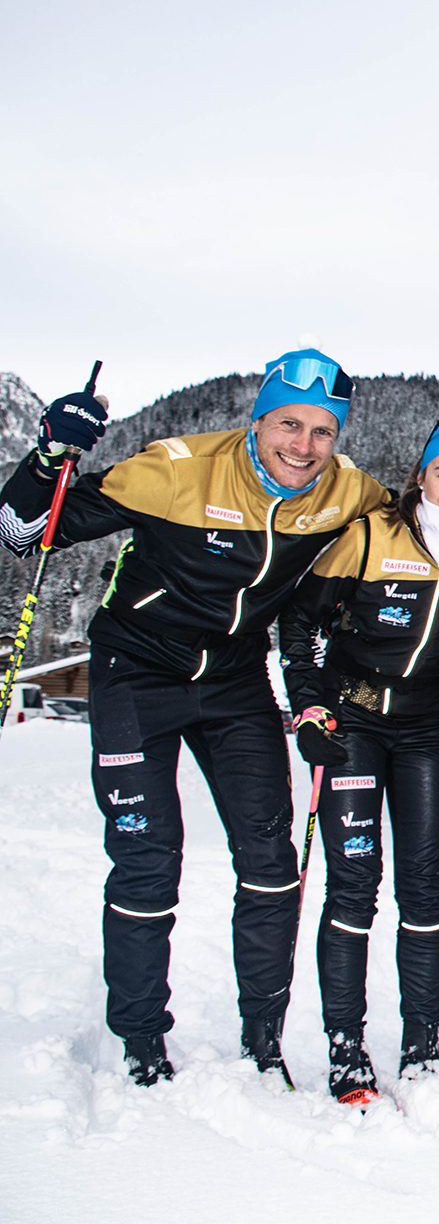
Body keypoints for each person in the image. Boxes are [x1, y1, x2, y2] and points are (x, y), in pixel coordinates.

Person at [0, 350, 389, 1087]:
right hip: (137, 671)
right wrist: (49, 452)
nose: (303, 447)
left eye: (322, 432)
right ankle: (143, 1037)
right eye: (288, 424)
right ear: (259, 418)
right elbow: (25, 534)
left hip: (235, 682)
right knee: (149, 863)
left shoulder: (349, 495)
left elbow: (427, 536)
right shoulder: (176, 469)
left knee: (273, 865)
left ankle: (264, 1039)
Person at [278, 416, 439, 1103]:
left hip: (426, 730)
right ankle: (345, 1045)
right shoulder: (371, 533)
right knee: (356, 885)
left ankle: (422, 1041)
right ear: (422, 476)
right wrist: (309, 705)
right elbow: (300, 621)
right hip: (353, 720)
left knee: (425, 890)